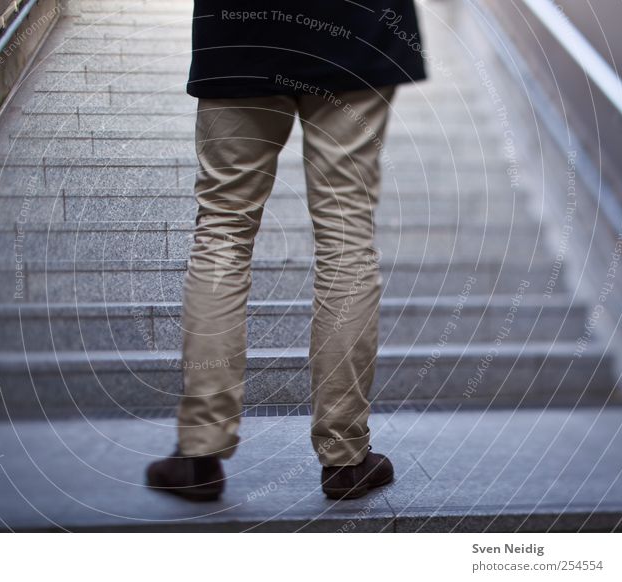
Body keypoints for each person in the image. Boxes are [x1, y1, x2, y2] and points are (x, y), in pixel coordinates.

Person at [146, 0, 426, 501]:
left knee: (223, 232)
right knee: (347, 234)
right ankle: (345, 457)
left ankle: (200, 453)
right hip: (355, 25)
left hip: (242, 32)